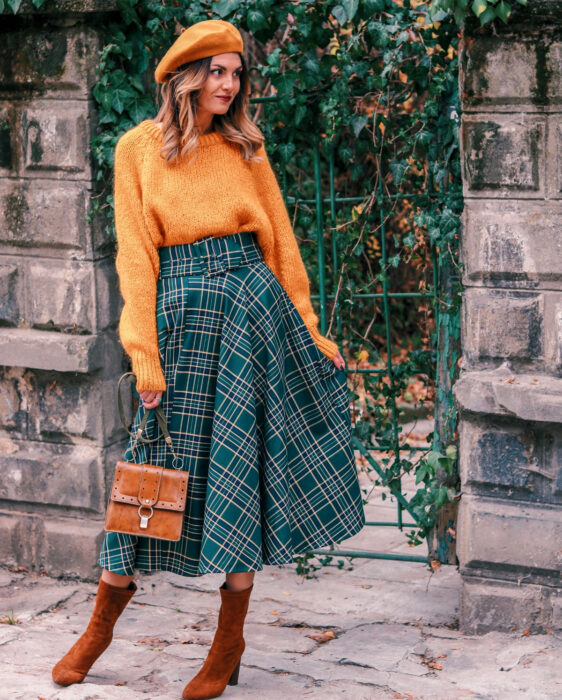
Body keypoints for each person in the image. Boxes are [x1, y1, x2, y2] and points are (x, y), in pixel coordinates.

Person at [51, 18, 365, 699]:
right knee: (148, 471)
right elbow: (135, 257)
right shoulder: (137, 149)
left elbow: (280, 243)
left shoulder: (245, 148)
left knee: (240, 472)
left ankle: (229, 641)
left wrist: (310, 329)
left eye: (235, 72)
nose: (228, 84)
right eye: (216, 71)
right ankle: (101, 622)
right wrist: (145, 356)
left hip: (254, 312)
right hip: (182, 315)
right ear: (185, 77)